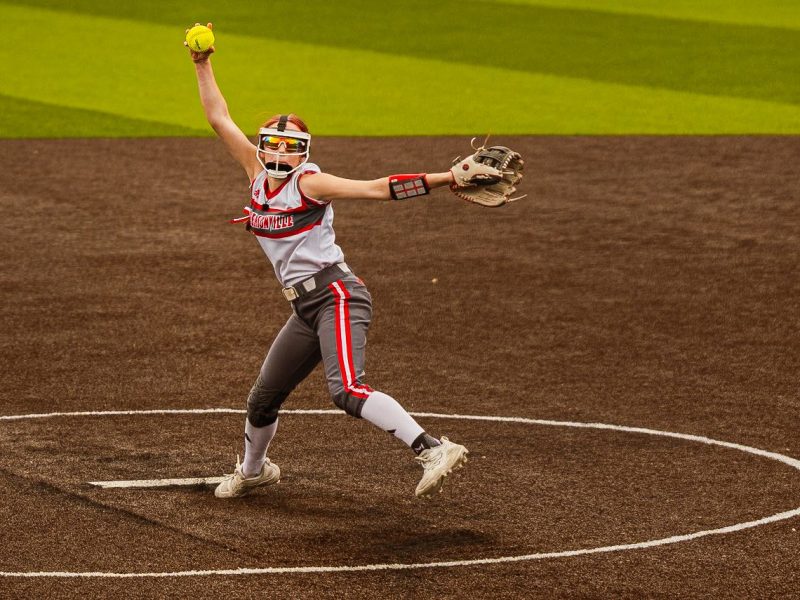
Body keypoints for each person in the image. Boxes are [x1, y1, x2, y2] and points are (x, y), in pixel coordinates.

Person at [185, 23, 488, 499]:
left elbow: (377, 188)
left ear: (303, 153)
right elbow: (219, 118)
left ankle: (432, 447)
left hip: (337, 296)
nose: (279, 153)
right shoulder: (255, 174)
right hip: (304, 309)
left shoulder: (310, 183)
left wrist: (446, 178)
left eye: (289, 147)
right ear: (262, 146)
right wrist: (203, 64)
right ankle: (254, 471)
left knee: (346, 390)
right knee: (263, 399)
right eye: (272, 144)